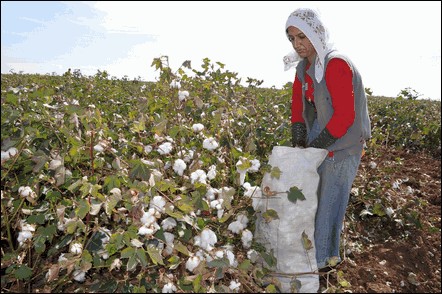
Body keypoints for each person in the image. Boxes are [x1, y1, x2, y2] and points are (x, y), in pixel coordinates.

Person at [284, 8, 371, 270]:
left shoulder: (336, 64)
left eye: (302, 37)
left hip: (344, 143)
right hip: (323, 135)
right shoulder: (304, 68)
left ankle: (324, 262)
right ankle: (312, 254)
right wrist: (299, 133)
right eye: (292, 39)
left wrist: (317, 146)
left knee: (330, 202)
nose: (297, 44)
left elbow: (345, 116)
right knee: (314, 199)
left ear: (315, 34)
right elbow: (297, 105)